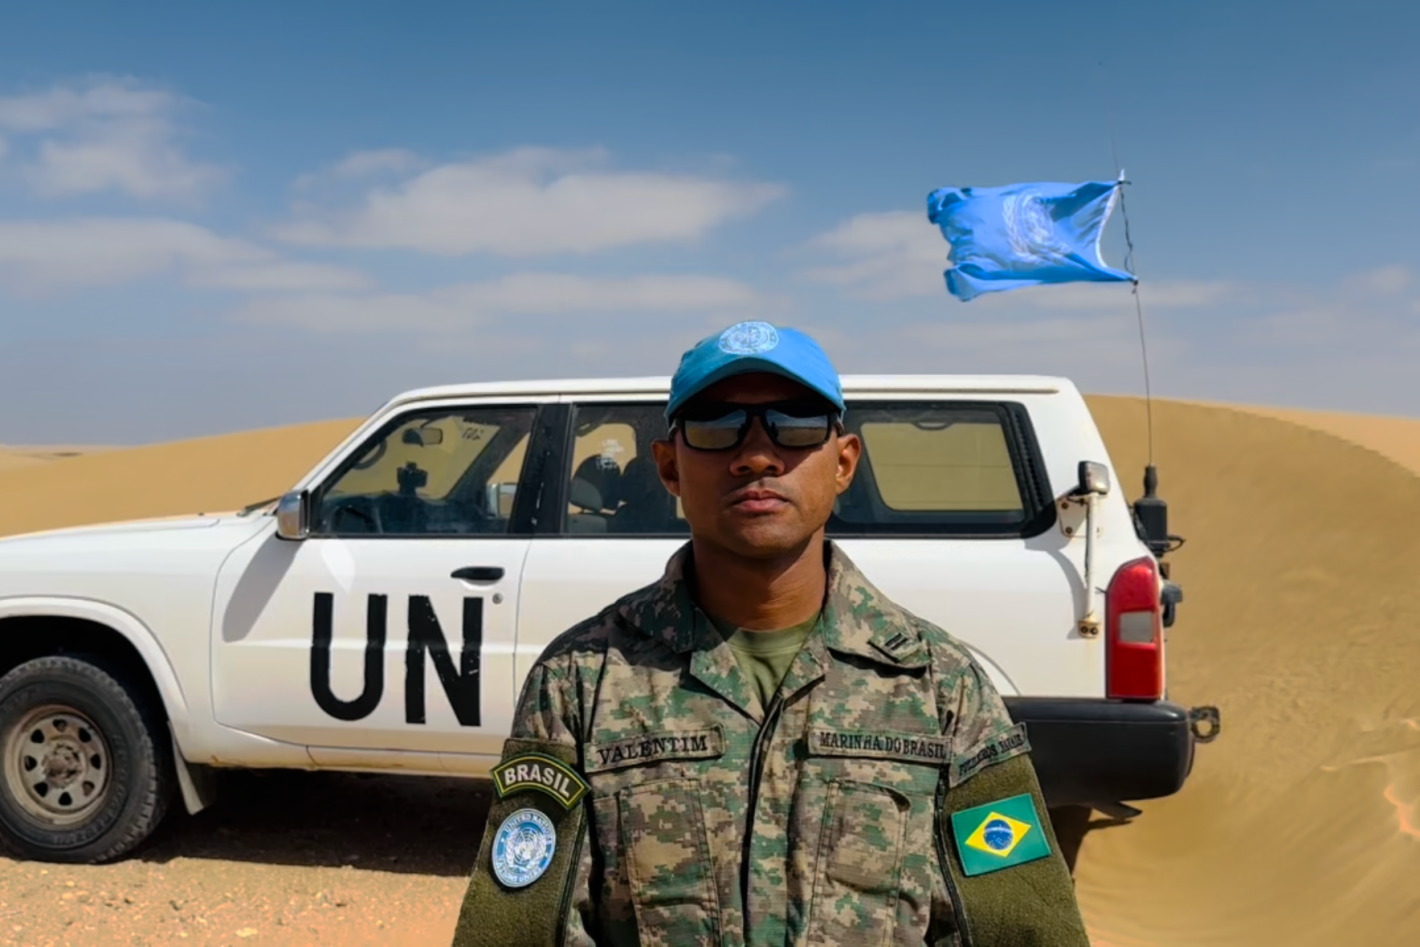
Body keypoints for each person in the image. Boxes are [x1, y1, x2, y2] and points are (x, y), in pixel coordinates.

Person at [450, 321, 1092, 947]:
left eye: (797, 424)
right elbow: (520, 931)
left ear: (843, 463)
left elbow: (1019, 928)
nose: (756, 456)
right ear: (670, 468)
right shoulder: (581, 679)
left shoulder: (941, 686)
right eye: (715, 427)